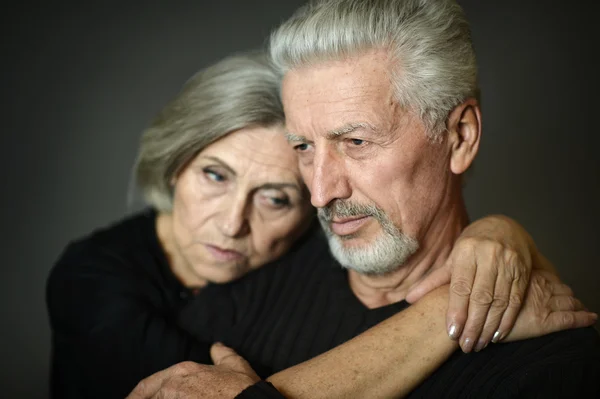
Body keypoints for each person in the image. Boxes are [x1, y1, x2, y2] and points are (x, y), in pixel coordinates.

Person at [125, 0, 600, 398]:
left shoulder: (551, 359)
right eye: (303, 148)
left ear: (460, 136)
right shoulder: (248, 281)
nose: (320, 191)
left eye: (356, 143)